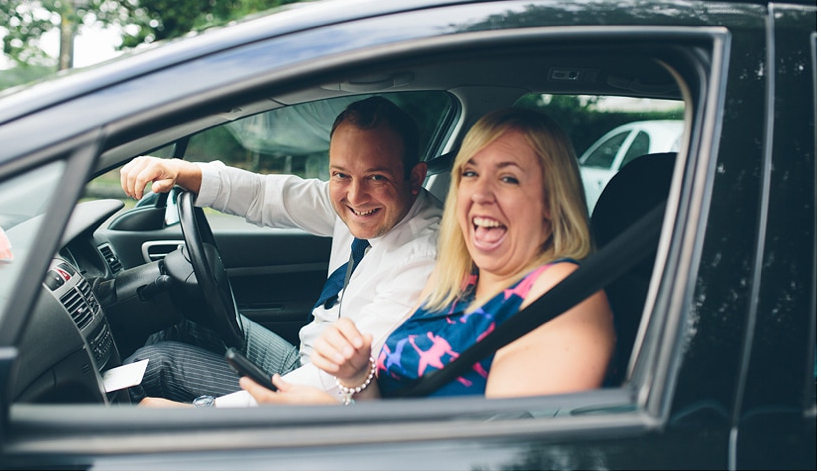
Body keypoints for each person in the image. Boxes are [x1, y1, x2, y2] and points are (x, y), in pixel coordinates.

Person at [240, 107, 615, 405]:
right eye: (470, 173)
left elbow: (497, 456)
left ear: (551, 202)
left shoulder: (559, 292)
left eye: (508, 178)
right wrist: (357, 378)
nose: (479, 195)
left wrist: (328, 425)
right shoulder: (456, 278)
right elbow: (392, 409)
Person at [119, 96, 442, 407]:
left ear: (414, 178)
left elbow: (336, 382)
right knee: (174, 315)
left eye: (376, 177)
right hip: (305, 360)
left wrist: (204, 412)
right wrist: (181, 172)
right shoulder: (369, 207)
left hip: (316, 396)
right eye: (340, 174)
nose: (356, 196)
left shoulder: (424, 259)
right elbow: (266, 195)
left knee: (153, 368)